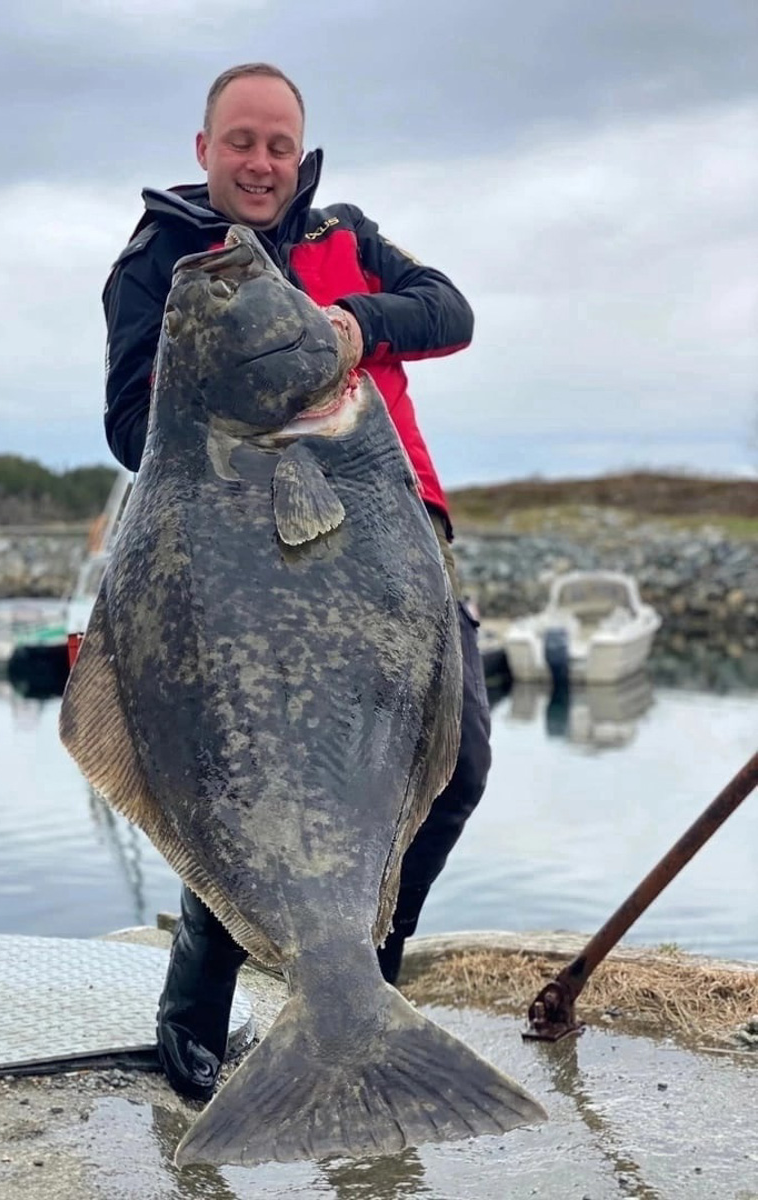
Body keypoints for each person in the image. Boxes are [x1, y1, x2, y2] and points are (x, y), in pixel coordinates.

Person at [101, 62, 492, 1103]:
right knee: (238, 789)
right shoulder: (157, 260)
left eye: (279, 145)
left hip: (390, 560)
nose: (262, 163)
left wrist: (356, 327)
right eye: (241, 143)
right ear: (205, 149)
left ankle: (360, 983)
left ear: (300, 153)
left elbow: (448, 310)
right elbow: (126, 423)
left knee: (451, 773)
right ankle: (194, 1018)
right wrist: (237, 381)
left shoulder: (348, 236)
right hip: (235, 580)